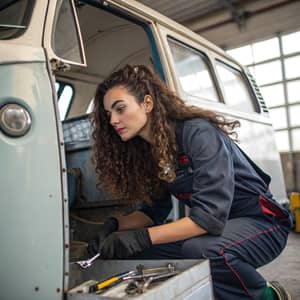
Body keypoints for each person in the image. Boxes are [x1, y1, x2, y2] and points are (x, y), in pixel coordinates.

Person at [89, 64, 293, 300]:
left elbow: (209, 217)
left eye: (120, 109)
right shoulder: (150, 152)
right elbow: (154, 212)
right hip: (217, 228)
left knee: (201, 250)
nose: (113, 120)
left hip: (263, 224)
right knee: (139, 252)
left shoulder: (197, 133)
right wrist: (114, 225)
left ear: (147, 103)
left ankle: (267, 295)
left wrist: (142, 236)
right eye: (108, 114)